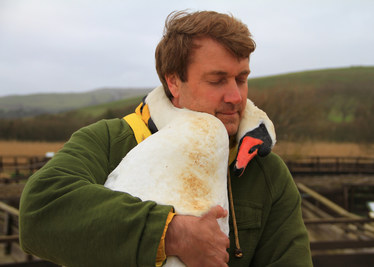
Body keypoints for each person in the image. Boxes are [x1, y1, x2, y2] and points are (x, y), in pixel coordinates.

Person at [19, 10, 312, 267]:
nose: (236, 96)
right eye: (217, 80)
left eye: (242, 78)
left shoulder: (267, 173)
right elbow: (40, 211)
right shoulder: (110, 141)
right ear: (173, 82)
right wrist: (170, 234)